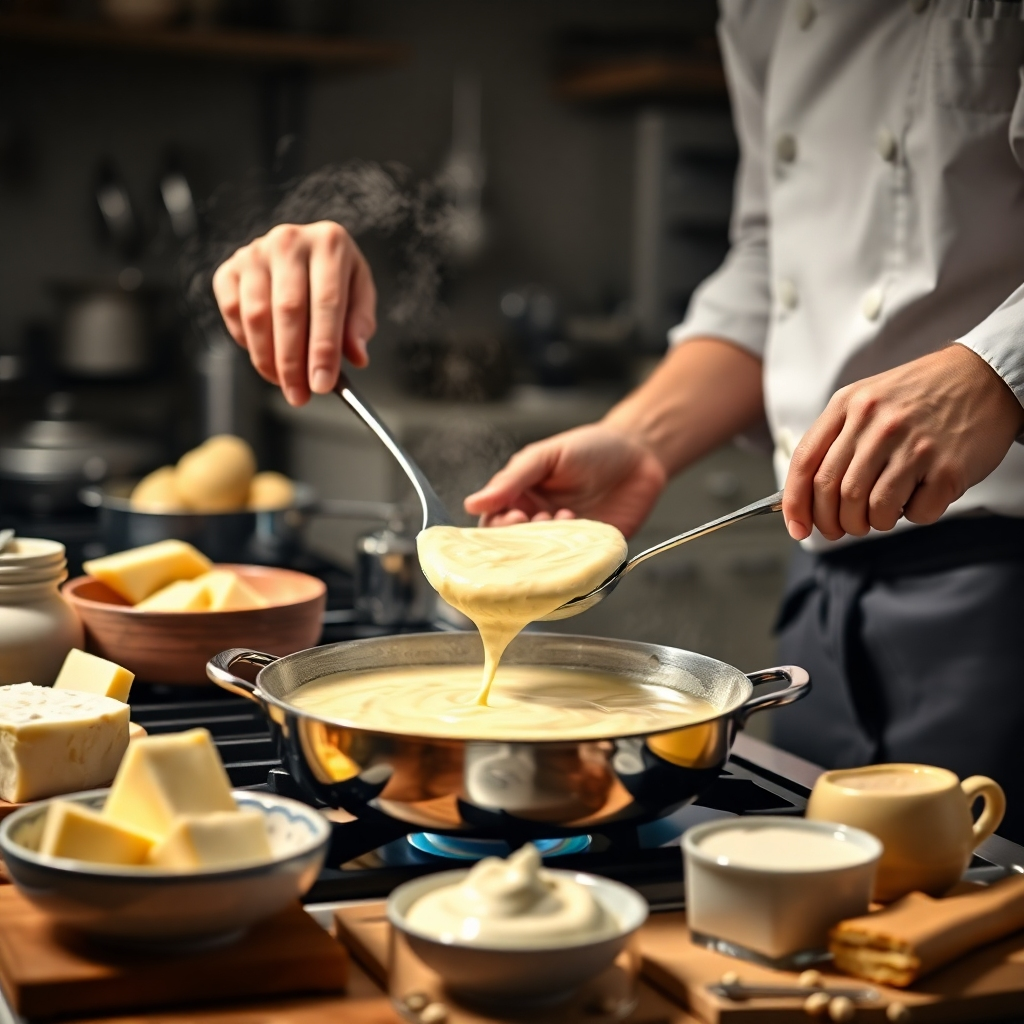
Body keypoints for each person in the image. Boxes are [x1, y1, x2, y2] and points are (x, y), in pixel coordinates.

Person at [214, 3, 1024, 841]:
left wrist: (997, 371)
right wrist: (639, 439)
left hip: (1003, 591)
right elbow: (771, 268)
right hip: (825, 591)